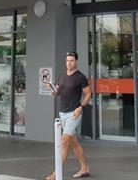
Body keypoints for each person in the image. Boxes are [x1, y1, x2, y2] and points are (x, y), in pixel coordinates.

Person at [43, 51, 92, 180]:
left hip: (74, 113)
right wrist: (50, 87)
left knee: (64, 140)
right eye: (67, 61)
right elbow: (56, 93)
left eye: (71, 60)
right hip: (63, 113)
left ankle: (56, 173)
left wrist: (81, 107)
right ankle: (84, 168)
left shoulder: (80, 77)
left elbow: (88, 93)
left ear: (76, 61)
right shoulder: (62, 76)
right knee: (73, 142)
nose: (69, 63)